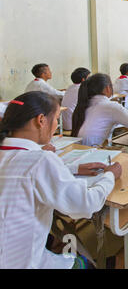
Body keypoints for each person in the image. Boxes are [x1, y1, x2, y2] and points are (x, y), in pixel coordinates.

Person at [0, 91, 121, 269]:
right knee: (86, 264)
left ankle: (59, 242)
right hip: (24, 263)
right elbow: (86, 204)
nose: (57, 125)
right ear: (40, 120)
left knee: (58, 235)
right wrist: (111, 175)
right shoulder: (40, 161)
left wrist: (73, 168)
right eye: (56, 118)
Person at [72, 73, 128, 147]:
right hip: (94, 151)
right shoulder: (111, 107)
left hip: (79, 148)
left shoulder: (86, 104)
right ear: (107, 88)